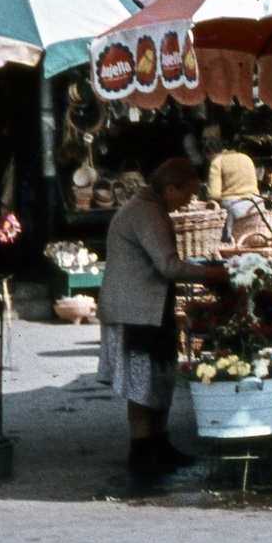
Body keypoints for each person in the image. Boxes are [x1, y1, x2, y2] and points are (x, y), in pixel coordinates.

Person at [97, 158, 229, 483]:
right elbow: (168, 266)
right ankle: (141, 451)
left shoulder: (150, 207)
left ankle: (159, 445)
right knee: (142, 383)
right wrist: (214, 273)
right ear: (170, 188)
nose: (189, 202)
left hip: (148, 308)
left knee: (159, 377)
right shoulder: (145, 212)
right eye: (187, 194)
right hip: (135, 311)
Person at [202, 136, 260, 242]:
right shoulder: (245, 157)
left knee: (229, 243)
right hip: (257, 204)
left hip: (234, 208)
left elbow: (214, 194)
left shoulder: (217, 162)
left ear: (210, 155)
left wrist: (206, 199)